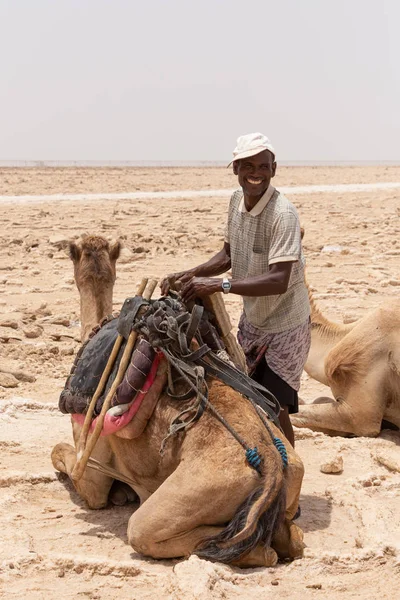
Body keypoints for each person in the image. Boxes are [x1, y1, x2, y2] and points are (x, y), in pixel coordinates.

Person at [161, 132, 310, 447]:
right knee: (246, 395)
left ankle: (289, 480)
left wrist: (218, 284)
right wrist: (189, 274)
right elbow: (228, 255)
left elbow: (278, 279)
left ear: (274, 169)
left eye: (262, 166)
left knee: (275, 404)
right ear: (236, 169)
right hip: (253, 320)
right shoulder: (235, 202)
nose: (255, 173)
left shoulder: (283, 215)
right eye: (247, 166)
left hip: (285, 326)